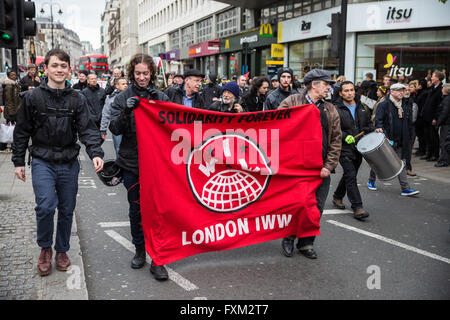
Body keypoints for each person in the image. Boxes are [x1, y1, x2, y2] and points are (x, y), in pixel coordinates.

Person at [12, 49, 104, 277]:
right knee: (45, 207)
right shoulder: (33, 98)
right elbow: (22, 131)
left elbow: (87, 129)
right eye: (55, 65)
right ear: (47, 69)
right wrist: (18, 161)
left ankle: (62, 250)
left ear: (69, 69)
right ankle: (45, 249)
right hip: (43, 161)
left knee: (66, 209)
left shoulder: (77, 99)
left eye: (63, 66)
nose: (59, 70)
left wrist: (95, 152)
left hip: (68, 162)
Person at [109, 53, 170, 281]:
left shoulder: (161, 95)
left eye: (146, 73)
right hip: (132, 163)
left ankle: (158, 257)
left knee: (157, 211)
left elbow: (174, 127)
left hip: (158, 163)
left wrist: (161, 104)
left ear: (152, 73)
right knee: (136, 209)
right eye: (138, 73)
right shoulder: (122, 97)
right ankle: (139, 250)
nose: (142, 77)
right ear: (131, 74)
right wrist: (126, 110)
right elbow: (114, 128)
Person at [278, 69, 342, 259]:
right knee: (295, 204)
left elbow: (336, 140)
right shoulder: (292, 102)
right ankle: (288, 237)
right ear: (314, 84)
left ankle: (306, 243)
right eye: (325, 83)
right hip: (296, 168)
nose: (329, 87)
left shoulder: (330, 109)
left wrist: (328, 166)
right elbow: (279, 128)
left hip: (320, 168)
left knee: (316, 207)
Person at [332, 81, 373, 220]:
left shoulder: (362, 107)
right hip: (343, 148)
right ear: (340, 93)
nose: (349, 93)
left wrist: (374, 130)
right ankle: (357, 207)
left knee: (350, 174)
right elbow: (333, 128)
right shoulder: (336, 108)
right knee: (350, 175)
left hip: (359, 147)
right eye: (346, 91)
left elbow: (367, 125)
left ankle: (337, 196)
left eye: (351, 90)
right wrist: (345, 136)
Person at [374, 83, 420, 196]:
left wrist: (409, 136)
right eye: (398, 90)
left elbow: (409, 121)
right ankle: (371, 179)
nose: (401, 92)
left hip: (402, 139)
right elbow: (378, 120)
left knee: (401, 163)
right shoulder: (384, 105)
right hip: (388, 138)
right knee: (381, 161)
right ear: (392, 92)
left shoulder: (405, 105)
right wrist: (380, 130)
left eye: (402, 90)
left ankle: (405, 188)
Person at [100, 77, 129, 158]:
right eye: (123, 84)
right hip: (117, 128)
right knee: (118, 150)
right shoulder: (110, 98)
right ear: (117, 86)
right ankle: (120, 168)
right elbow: (105, 114)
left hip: (130, 128)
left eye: (126, 84)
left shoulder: (132, 97)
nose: (126, 86)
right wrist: (103, 130)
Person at [367, 85, 388, 190]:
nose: (376, 92)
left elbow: (377, 116)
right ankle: (371, 180)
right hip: (377, 128)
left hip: (379, 129)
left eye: (378, 91)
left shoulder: (383, 102)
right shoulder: (380, 100)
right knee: (377, 155)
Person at [421, 70, 444, 162]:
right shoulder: (433, 88)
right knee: (427, 136)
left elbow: (439, 106)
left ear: (438, 78)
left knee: (433, 137)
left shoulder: (440, 89)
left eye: (433, 76)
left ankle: (435, 155)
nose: (431, 78)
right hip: (427, 117)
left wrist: (435, 117)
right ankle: (429, 153)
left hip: (432, 118)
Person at [403, 85, 418, 176]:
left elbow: (413, 118)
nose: (407, 91)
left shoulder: (412, 102)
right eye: (405, 90)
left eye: (409, 90)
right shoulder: (398, 102)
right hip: (399, 129)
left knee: (408, 150)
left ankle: (408, 168)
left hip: (410, 129)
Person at [435, 83, 450, 167]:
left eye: (442, 88)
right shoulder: (446, 98)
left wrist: (438, 123)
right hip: (446, 123)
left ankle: (444, 160)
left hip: (446, 124)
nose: (441, 90)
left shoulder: (447, 99)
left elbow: (444, 112)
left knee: (444, 142)